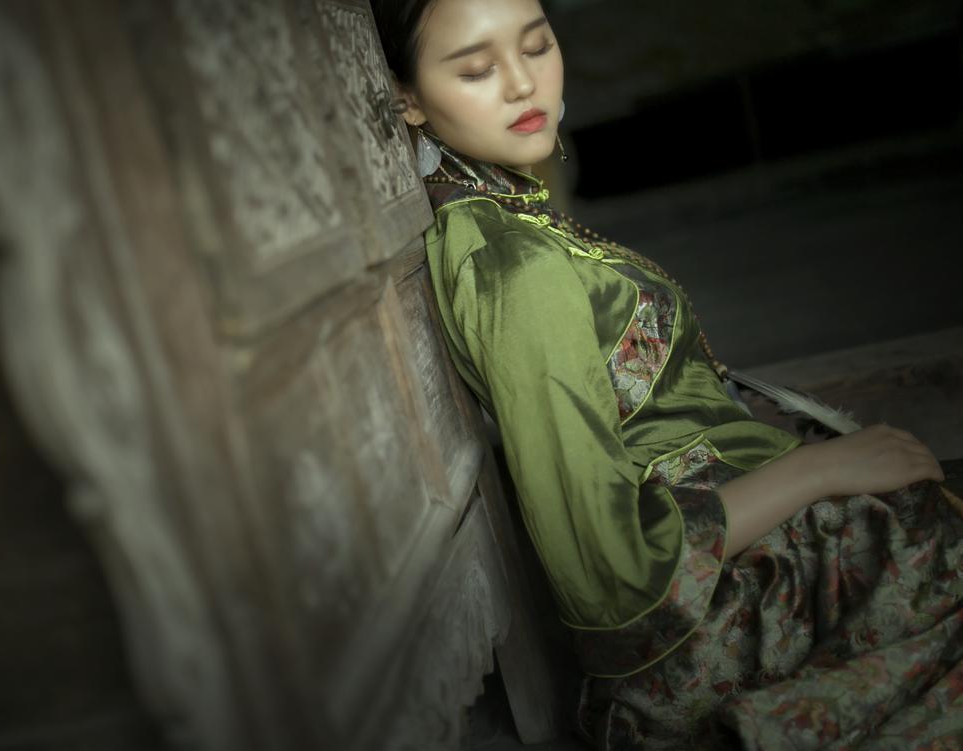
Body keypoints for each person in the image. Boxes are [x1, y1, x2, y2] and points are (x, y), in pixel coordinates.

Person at [370, 0, 963, 747]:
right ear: (409, 99)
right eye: (478, 69)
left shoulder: (503, 215)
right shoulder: (515, 270)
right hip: (707, 624)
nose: (522, 84)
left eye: (537, 46)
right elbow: (611, 576)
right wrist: (822, 469)